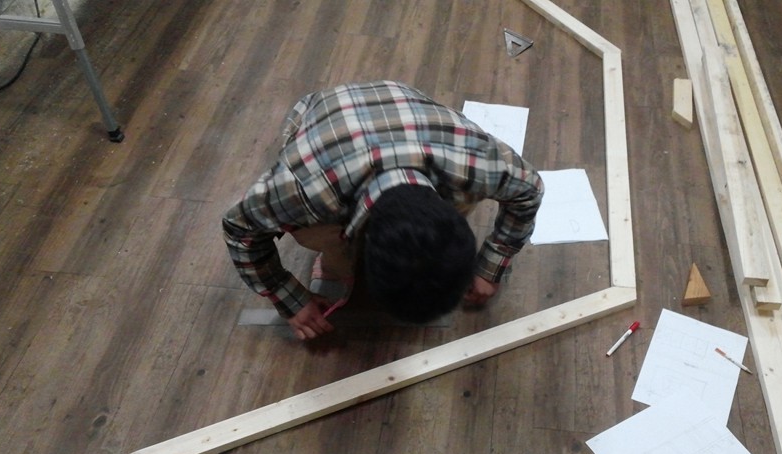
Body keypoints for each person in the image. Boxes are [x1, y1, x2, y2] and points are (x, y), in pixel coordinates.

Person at [222, 81, 544, 340]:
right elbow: (239, 229)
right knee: (319, 233)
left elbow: (529, 188)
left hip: (408, 109)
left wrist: (489, 267)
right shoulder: (303, 189)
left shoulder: (474, 162)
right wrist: (288, 297)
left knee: (463, 199)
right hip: (323, 119)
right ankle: (338, 259)